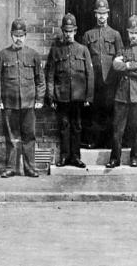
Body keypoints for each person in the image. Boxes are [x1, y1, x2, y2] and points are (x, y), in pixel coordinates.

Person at [0, 18, 45, 178]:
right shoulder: (2, 55)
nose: (18, 38)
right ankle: (10, 168)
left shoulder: (33, 55)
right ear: (11, 35)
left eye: (21, 35)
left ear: (26, 35)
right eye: (15, 35)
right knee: (11, 137)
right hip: (9, 103)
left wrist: (40, 99)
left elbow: (40, 80)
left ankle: (30, 168)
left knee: (29, 137)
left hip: (29, 103)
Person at [45, 13, 94, 168]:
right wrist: (51, 97)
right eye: (66, 31)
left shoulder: (83, 50)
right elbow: (50, 74)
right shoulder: (56, 51)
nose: (68, 34)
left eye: (71, 31)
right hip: (62, 96)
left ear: (75, 31)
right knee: (64, 126)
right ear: (62, 31)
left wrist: (89, 96)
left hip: (78, 96)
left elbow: (89, 74)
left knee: (77, 126)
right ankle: (64, 157)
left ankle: (76, 157)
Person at [106, 15, 137, 169]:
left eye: (136, 33)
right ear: (127, 33)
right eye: (131, 33)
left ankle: (135, 157)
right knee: (117, 129)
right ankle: (115, 158)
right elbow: (116, 66)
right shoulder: (122, 50)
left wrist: (126, 67)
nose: (133, 36)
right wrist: (133, 65)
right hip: (122, 95)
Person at [81, 0, 124, 148]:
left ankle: (108, 142)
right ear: (95, 14)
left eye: (104, 13)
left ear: (108, 14)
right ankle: (94, 141)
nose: (101, 16)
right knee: (94, 111)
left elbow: (120, 58)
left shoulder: (115, 35)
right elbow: (84, 59)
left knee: (110, 111)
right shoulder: (88, 35)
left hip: (110, 80)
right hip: (94, 81)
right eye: (99, 13)